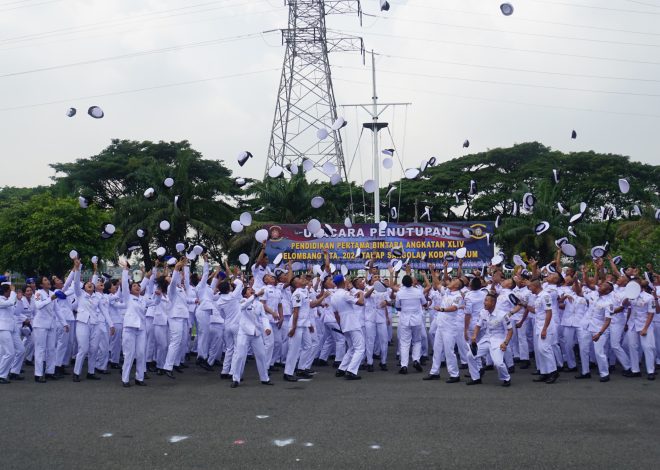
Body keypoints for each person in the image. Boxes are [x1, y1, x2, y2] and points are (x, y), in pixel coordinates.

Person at [119, 259, 160, 387]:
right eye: (135, 286)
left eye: (139, 286)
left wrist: (158, 295)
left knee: (141, 353)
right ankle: (125, 379)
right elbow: (125, 285)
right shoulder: (127, 297)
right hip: (130, 328)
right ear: (130, 289)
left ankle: (139, 378)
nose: (137, 287)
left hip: (141, 329)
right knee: (129, 355)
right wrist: (126, 270)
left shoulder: (143, 299)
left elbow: (155, 303)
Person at [229, 286, 273, 388]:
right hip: (244, 333)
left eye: (252, 289)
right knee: (240, 355)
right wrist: (256, 295)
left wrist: (267, 327)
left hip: (256, 333)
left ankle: (265, 378)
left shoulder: (259, 304)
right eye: (249, 290)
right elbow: (243, 306)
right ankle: (236, 379)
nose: (252, 290)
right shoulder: (242, 300)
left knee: (261, 355)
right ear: (245, 294)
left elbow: (264, 317)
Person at [466, 292, 513, 386]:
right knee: (470, 355)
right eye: (484, 300)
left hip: (498, 340)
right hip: (486, 339)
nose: (484, 302)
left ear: (493, 303)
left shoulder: (502, 315)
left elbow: (510, 330)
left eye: (486, 301)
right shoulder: (483, 312)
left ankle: (506, 378)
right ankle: (476, 378)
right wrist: (474, 336)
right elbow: (478, 326)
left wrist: (505, 343)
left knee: (498, 363)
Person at [33, 275, 70, 382]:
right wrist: (51, 299)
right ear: (41, 284)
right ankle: (38, 374)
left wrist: (64, 323)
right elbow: (38, 305)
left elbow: (57, 310)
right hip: (40, 325)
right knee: (40, 349)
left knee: (51, 349)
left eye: (47, 279)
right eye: (45, 280)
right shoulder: (38, 293)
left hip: (51, 325)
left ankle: (50, 372)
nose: (48, 281)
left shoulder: (52, 293)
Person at [524, 280, 559, 384]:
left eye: (530, 287)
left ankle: (553, 372)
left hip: (545, 326)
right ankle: (544, 372)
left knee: (545, 349)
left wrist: (544, 329)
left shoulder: (545, 296)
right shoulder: (538, 297)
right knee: (540, 350)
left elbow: (549, 313)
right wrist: (525, 305)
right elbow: (536, 311)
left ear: (535, 286)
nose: (529, 289)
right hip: (539, 326)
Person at [331, 275, 365, 380]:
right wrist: (361, 294)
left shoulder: (333, 296)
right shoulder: (344, 294)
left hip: (344, 323)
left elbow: (336, 314)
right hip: (352, 322)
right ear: (343, 282)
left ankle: (341, 369)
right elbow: (361, 302)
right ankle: (351, 371)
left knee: (351, 348)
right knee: (360, 348)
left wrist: (341, 325)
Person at [395, 272, 427, 376]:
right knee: (417, 341)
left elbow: (397, 306)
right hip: (417, 319)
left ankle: (404, 365)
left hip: (405, 319)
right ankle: (416, 360)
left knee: (405, 343)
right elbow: (424, 303)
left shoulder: (399, 293)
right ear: (412, 282)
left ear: (403, 283)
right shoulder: (418, 291)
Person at [625, 278, 656, 380]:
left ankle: (650, 371)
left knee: (647, 347)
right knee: (632, 347)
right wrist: (627, 297)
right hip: (632, 325)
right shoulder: (631, 296)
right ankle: (635, 370)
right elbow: (624, 305)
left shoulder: (649, 297)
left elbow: (651, 314)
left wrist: (645, 328)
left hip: (644, 325)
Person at [0, 281, 19, 384]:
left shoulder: (7, 299)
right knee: (9, 353)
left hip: (10, 329)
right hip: (2, 328)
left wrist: (18, 300)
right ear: (6, 291)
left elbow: (16, 312)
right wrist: (13, 292)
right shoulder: (1, 299)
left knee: (8, 352)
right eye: (9, 291)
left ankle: (3, 373)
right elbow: (11, 302)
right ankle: (1, 375)